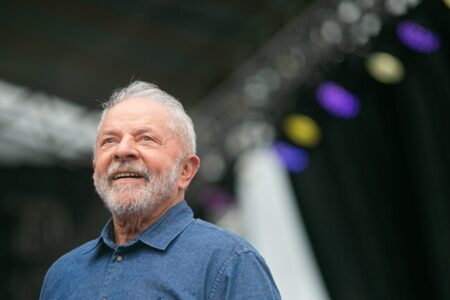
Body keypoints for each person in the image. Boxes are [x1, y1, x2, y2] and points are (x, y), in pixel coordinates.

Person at [39, 81, 281, 299]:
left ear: (186, 170)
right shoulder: (63, 275)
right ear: (95, 168)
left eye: (145, 138)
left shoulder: (229, 262)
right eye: (109, 141)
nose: (122, 150)